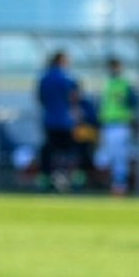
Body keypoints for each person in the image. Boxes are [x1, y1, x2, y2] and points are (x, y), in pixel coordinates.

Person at [94, 56, 139, 196]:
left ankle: (119, 185)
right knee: (104, 157)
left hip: (120, 124)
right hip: (107, 125)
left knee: (120, 157)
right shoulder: (107, 84)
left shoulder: (125, 84)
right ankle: (109, 183)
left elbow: (134, 102)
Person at [35, 51, 79, 192]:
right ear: (61, 61)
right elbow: (74, 97)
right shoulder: (67, 78)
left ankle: (47, 180)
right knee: (69, 151)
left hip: (49, 120)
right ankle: (67, 180)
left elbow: (40, 98)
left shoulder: (44, 78)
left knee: (50, 150)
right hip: (65, 121)